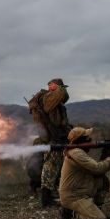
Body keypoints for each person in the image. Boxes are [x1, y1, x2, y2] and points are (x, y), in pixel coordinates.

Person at [58, 127, 110, 219]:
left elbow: (97, 172)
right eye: (87, 138)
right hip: (74, 196)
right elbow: (98, 168)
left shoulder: (77, 151)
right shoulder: (76, 153)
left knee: (102, 180)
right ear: (81, 140)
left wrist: (106, 153)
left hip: (80, 190)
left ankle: (96, 210)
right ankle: (71, 212)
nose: (90, 140)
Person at [27, 78, 71, 206]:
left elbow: (63, 98)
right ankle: (46, 198)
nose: (61, 90)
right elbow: (61, 95)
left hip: (54, 136)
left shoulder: (51, 98)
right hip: (52, 138)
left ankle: (50, 194)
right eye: (59, 87)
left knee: (55, 166)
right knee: (51, 167)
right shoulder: (48, 98)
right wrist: (60, 88)